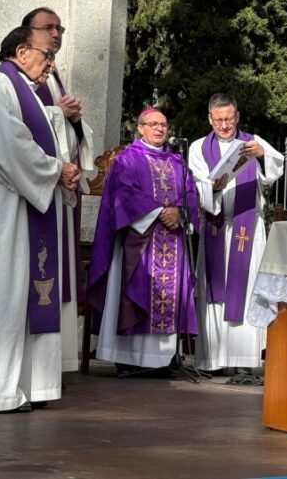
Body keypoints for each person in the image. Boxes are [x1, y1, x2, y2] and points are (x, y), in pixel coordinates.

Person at [0, 27, 81, 412]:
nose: (51, 65)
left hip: (18, 206)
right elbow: (8, 146)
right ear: (22, 51)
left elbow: (41, 137)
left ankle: (21, 386)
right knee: (2, 295)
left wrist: (63, 168)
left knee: (19, 296)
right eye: (47, 54)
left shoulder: (21, 88)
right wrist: (54, 170)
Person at [88, 108, 199, 375]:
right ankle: (130, 359)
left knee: (170, 293)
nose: (160, 129)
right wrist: (160, 212)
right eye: (153, 124)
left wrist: (181, 213)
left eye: (164, 124)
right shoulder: (127, 160)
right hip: (139, 240)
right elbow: (124, 194)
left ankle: (162, 360)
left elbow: (191, 193)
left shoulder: (177, 162)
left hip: (172, 238)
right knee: (137, 289)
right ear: (140, 128)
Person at [188, 94, 283, 376]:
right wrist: (213, 189)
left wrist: (262, 155)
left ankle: (243, 359)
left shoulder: (253, 142)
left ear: (237, 116)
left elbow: (273, 172)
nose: (225, 125)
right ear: (210, 119)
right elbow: (197, 184)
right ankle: (213, 360)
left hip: (247, 229)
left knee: (247, 289)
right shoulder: (198, 148)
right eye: (219, 120)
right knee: (212, 294)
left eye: (229, 119)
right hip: (216, 224)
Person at [23, 7, 95, 372]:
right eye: (48, 28)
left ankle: (56, 365)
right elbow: (24, 126)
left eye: (59, 28)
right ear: (28, 35)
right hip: (37, 192)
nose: (56, 33)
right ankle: (41, 368)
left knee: (60, 274)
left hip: (59, 191)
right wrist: (59, 115)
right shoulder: (18, 75)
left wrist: (76, 119)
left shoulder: (55, 76)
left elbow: (63, 131)